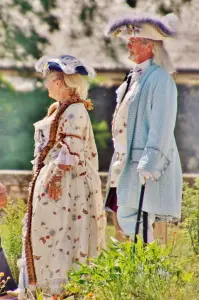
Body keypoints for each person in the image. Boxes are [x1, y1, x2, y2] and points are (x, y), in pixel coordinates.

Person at [19, 55, 106, 297]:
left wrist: (55, 178)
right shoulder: (60, 108)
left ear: (59, 82)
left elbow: (72, 149)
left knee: (63, 234)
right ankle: (47, 289)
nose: (46, 84)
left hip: (68, 187)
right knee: (49, 234)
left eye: (48, 80)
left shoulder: (75, 109)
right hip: (52, 181)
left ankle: (62, 289)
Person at [104, 13, 182, 242]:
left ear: (150, 45)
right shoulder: (135, 77)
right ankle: (131, 275)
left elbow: (162, 123)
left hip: (144, 166)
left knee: (142, 228)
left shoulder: (160, 79)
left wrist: (150, 163)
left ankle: (147, 276)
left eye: (134, 39)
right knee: (124, 222)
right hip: (125, 162)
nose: (128, 43)